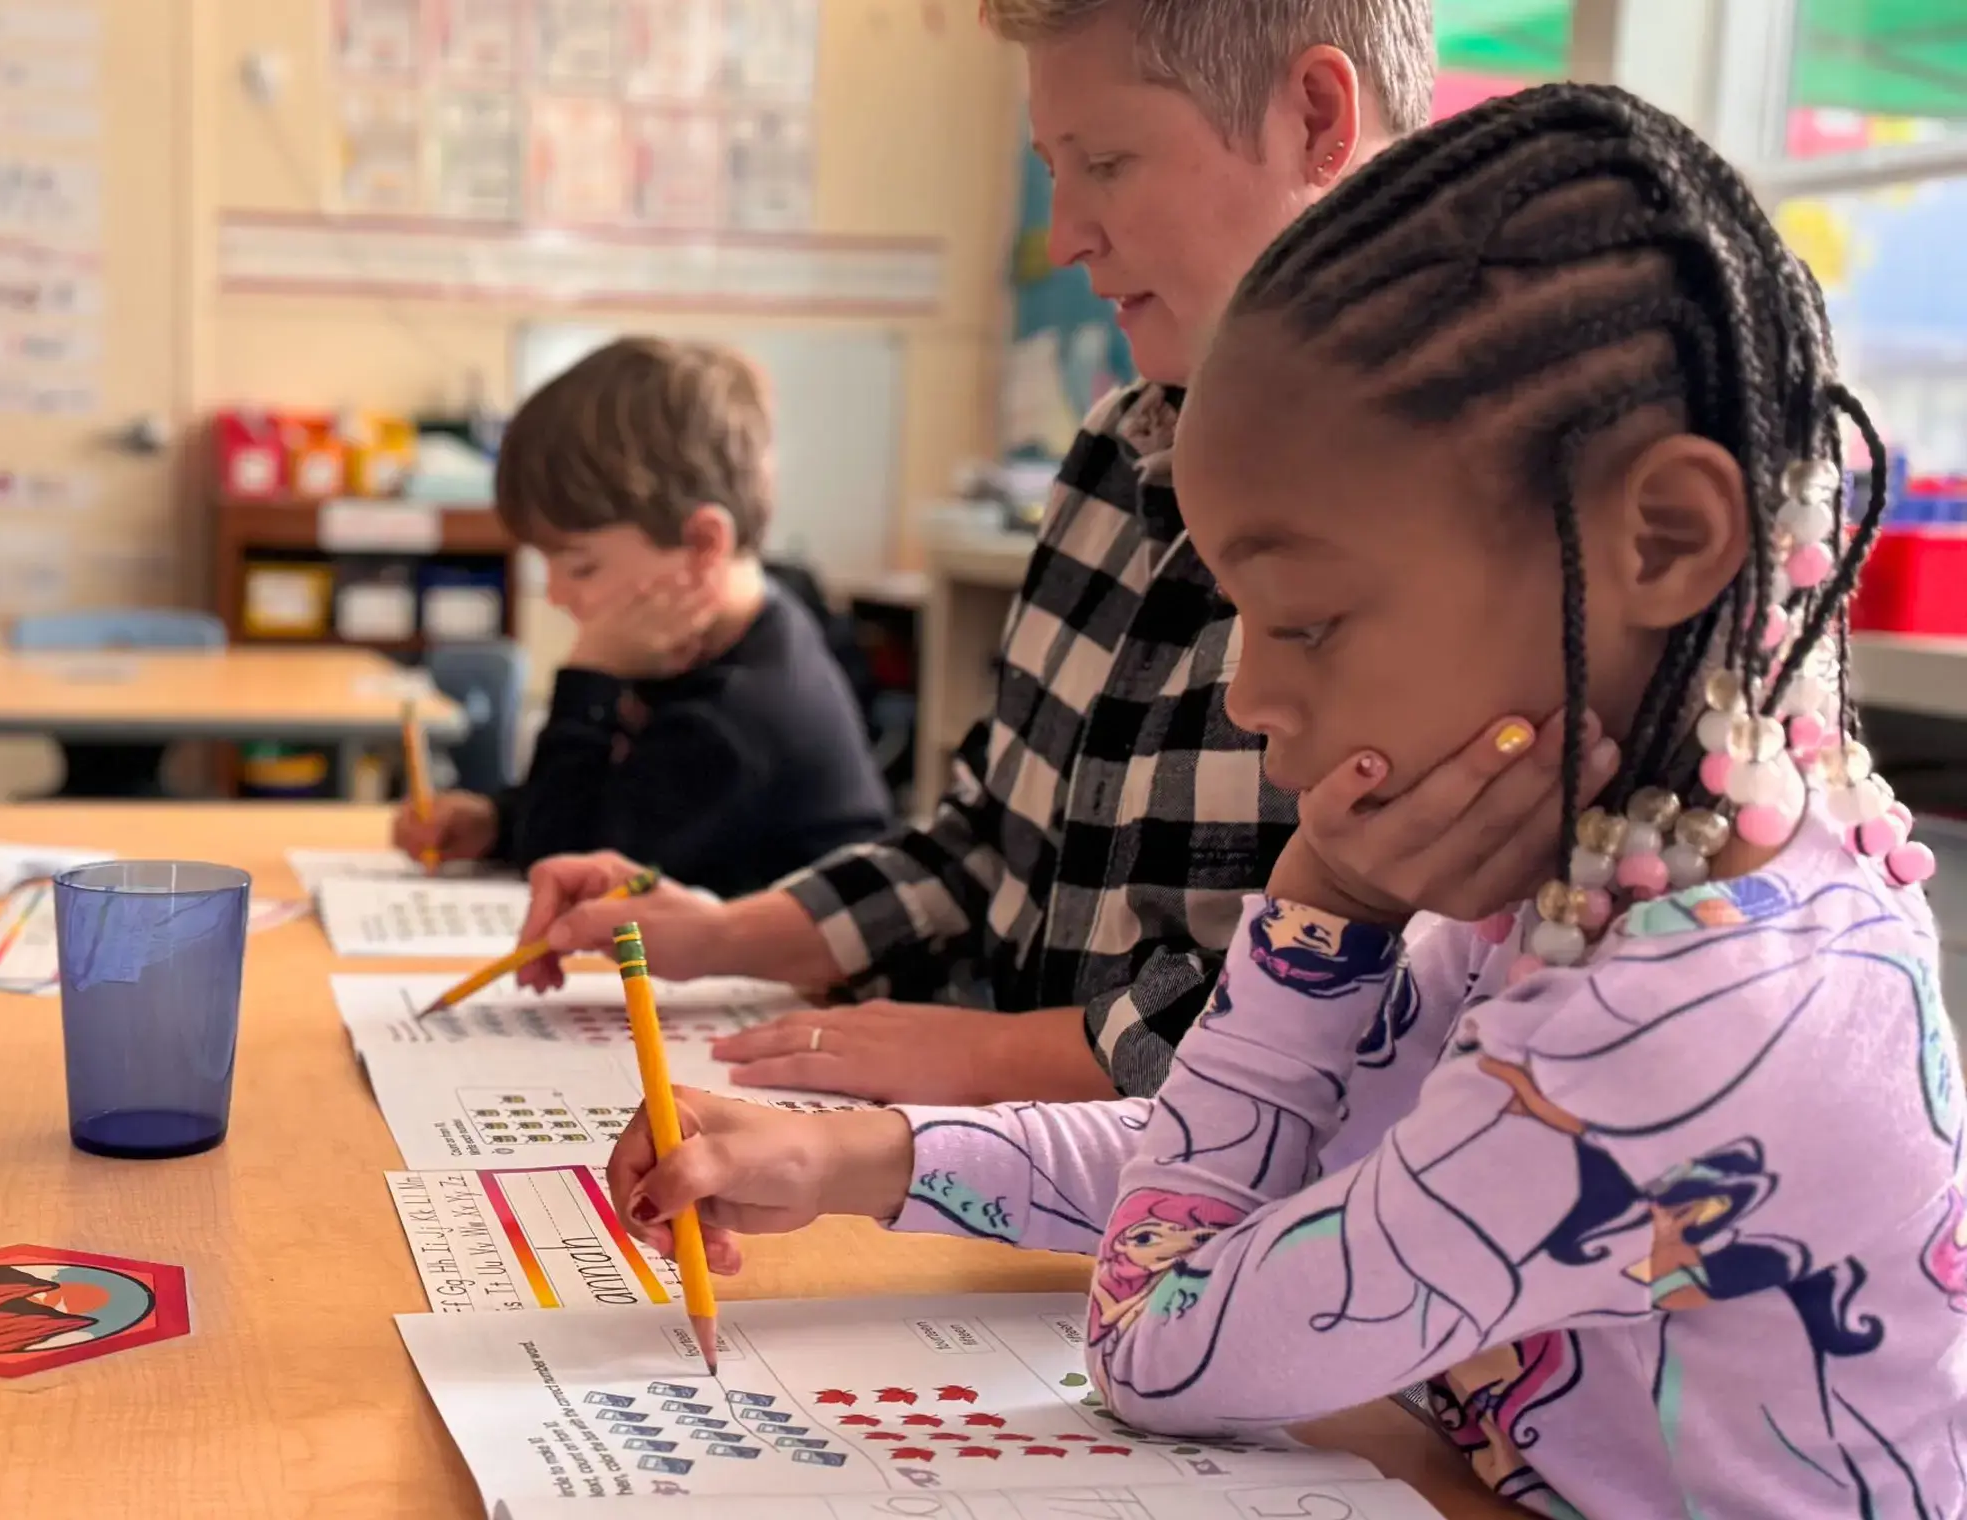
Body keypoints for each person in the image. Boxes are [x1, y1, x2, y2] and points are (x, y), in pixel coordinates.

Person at [606, 85, 1961, 1516]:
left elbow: (1160, 1331)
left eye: (1305, 620)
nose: (1250, 694)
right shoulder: (1613, 876)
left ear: (1665, 539)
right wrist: (862, 1154)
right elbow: (1290, 1171)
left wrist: (1328, 910)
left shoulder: (1677, 1021)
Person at [515, 0, 1439, 1106]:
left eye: (1107, 163)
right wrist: (724, 932)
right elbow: (993, 840)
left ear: (1318, 118)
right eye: (1054, 171)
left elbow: (1364, 1008)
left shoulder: (1460, 519)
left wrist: (983, 1058)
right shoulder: (1114, 453)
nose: (1067, 236)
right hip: (1006, 1165)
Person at [392, 337, 894, 898]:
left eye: (581, 567)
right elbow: (624, 803)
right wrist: (498, 821)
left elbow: (567, 868)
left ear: (702, 546)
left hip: (766, 962)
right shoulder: (711, 643)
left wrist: (589, 676)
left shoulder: (742, 714)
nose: (555, 594)